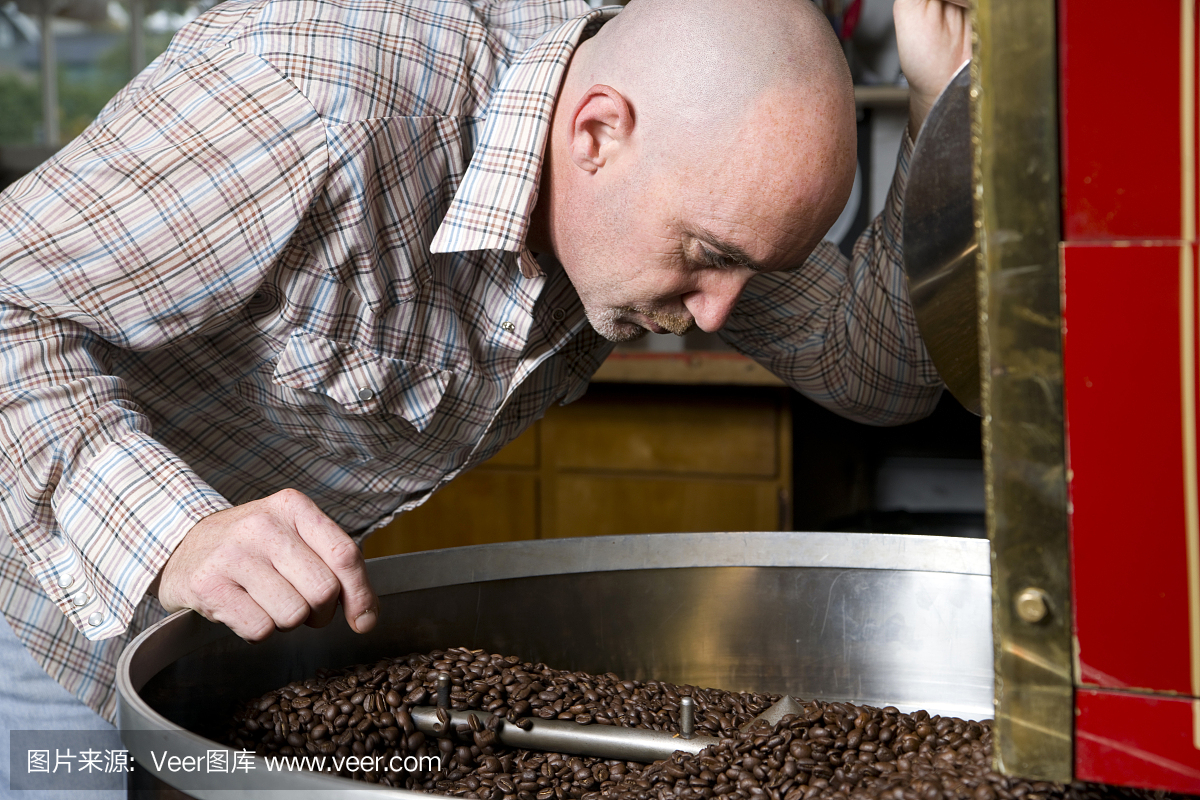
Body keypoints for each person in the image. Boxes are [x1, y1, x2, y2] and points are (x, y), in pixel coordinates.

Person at [0, 0, 968, 793]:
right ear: (597, 130)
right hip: (35, 615)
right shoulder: (313, 94)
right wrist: (175, 531)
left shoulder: (694, 185)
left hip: (210, 636)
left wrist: (944, 104)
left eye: (750, 274)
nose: (717, 317)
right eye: (707, 259)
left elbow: (874, 371)